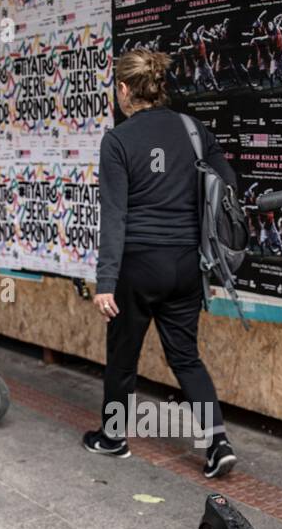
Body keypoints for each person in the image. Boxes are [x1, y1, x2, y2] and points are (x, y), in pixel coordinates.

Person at [86, 49, 237, 479]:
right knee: (186, 357)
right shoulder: (193, 130)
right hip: (187, 263)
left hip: (137, 266)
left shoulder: (117, 141)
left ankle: (113, 437)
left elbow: (114, 214)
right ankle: (217, 443)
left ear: (124, 90)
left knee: (122, 357)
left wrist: (105, 281)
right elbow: (228, 184)